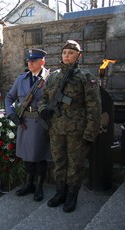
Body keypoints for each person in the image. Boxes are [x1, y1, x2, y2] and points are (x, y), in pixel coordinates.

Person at [38, 40, 101, 213]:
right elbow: (43, 98)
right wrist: (43, 109)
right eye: (64, 53)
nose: (67, 56)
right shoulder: (53, 76)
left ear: (78, 56)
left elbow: (94, 107)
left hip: (77, 131)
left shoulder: (85, 77)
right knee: (59, 162)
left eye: (71, 53)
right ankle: (60, 192)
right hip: (56, 129)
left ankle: (72, 195)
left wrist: (90, 132)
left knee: (75, 165)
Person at [5, 48, 51, 202]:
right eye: (29, 61)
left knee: (40, 157)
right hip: (24, 122)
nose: (30, 63)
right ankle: (29, 184)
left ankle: (39, 187)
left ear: (42, 62)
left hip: (41, 122)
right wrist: (11, 114)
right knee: (26, 156)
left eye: (34, 60)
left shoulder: (50, 79)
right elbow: (9, 98)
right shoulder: (21, 79)